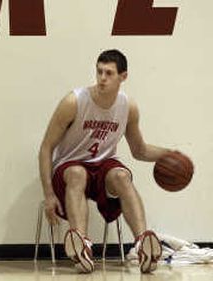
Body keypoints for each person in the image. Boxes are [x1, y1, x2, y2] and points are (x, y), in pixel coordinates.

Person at [38, 49, 170, 273]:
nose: (102, 78)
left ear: (123, 76)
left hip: (102, 166)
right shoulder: (74, 101)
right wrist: (48, 194)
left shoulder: (128, 107)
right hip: (70, 167)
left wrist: (170, 154)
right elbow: (46, 148)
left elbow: (139, 150)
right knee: (77, 173)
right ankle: (83, 247)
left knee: (121, 175)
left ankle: (142, 245)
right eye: (99, 72)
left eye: (109, 73)